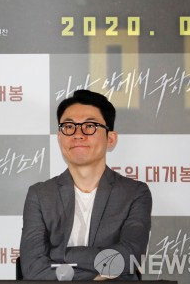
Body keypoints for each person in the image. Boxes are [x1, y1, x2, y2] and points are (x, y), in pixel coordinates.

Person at [20, 90, 152, 281]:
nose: (78, 134)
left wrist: (61, 254)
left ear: (110, 138)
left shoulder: (134, 192)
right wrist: (96, 276)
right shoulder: (40, 195)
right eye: (69, 126)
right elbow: (33, 269)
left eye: (90, 126)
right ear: (59, 137)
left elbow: (128, 258)